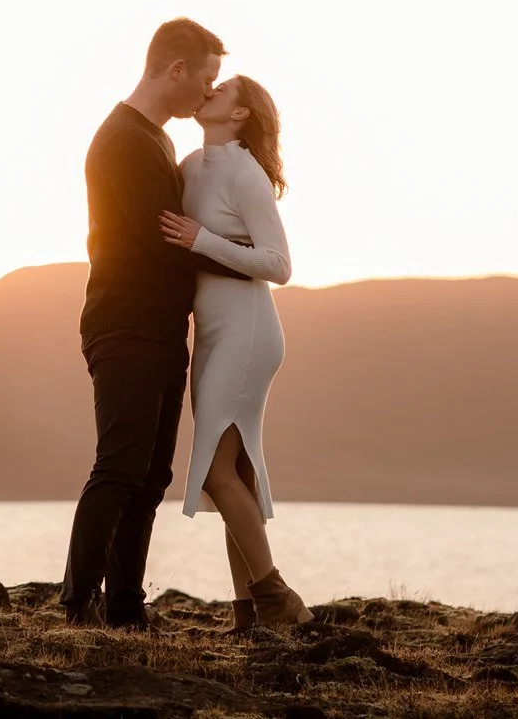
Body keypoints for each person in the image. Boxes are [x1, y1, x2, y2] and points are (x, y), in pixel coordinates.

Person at [60, 18, 248, 628]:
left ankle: (124, 607)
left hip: (161, 329)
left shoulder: (155, 140)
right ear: (176, 71)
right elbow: (163, 242)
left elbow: (174, 239)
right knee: (119, 465)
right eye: (206, 79)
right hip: (126, 326)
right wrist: (247, 264)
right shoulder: (125, 141)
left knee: (151, 474)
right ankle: (77, 605)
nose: (206, 93)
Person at [159, 75, 314, 629]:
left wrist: (201, 240)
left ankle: (278, 599)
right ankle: (249, 612)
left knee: (216, 473)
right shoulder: (189, 167)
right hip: (211, 332)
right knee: (235, 478)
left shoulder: (245, 172)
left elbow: (279, 265)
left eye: (221, 88)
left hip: (248, 332)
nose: (209, 90)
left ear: (241, 112)